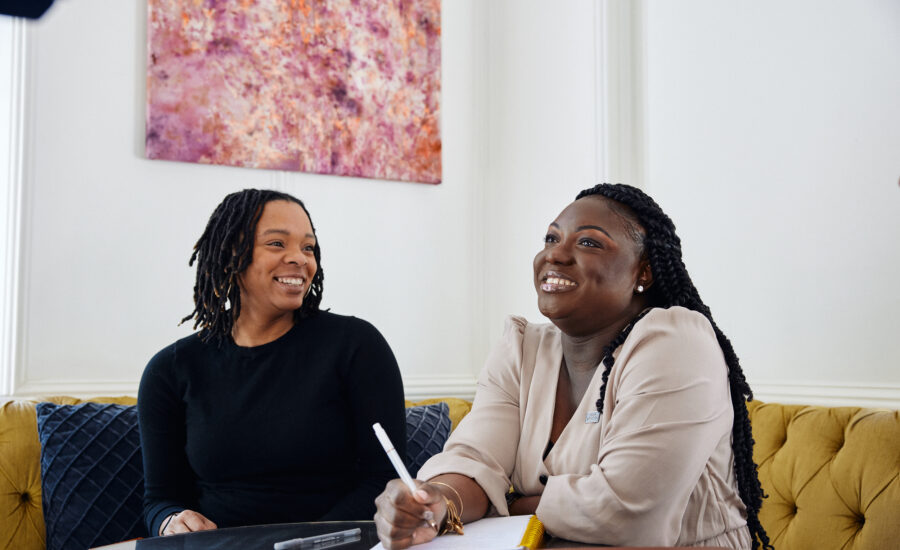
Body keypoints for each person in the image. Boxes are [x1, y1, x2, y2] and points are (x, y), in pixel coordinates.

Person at [374, 183, 772, 550]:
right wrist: (438, 502)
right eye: (551, 238)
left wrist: (507, 503)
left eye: (588, 243)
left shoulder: (676, 341)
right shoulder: (522, 348)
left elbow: (629, 514)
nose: (556, 254)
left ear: (644, 272)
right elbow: (475, 461)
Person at [138, 189, 406, 537]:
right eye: (277, 243)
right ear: (231, 254)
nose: (299, 259)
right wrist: (170, 520)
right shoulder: (170, 369)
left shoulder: (356, 345)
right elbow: (160, 499)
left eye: (308, 247)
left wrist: (310, 542)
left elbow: (383, 481)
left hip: (334, 545)